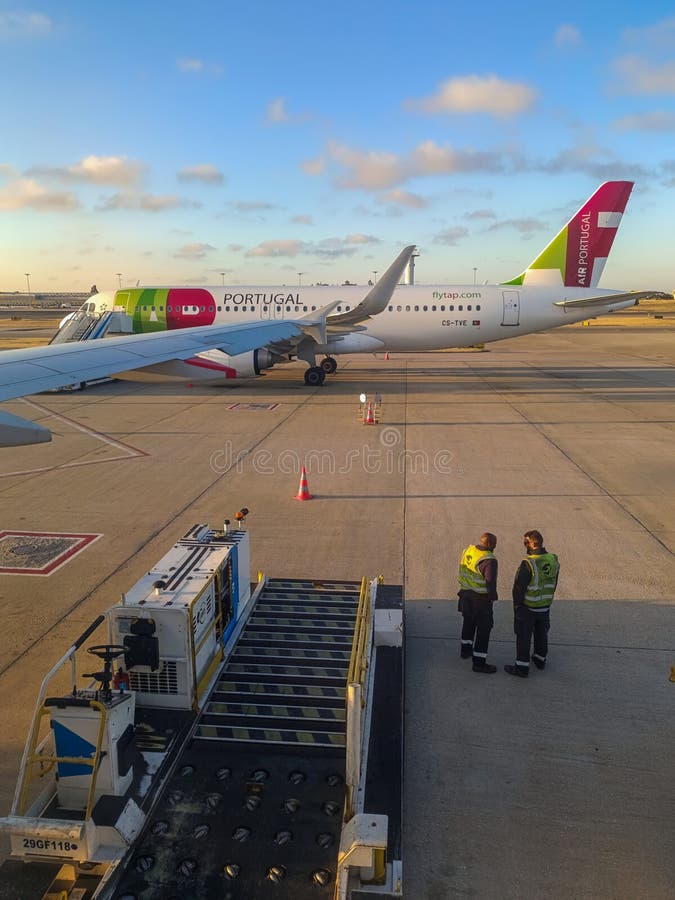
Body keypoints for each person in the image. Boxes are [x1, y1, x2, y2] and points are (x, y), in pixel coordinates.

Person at [504, 530, 560, 679]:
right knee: (542, 634)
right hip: (545, 605)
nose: (525, 546)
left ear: (533, 543)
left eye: (525, 543)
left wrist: (517, 606)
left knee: (523, 636)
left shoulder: (529, 563)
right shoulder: (553, 559)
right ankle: (540, 660)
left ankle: (522, 668)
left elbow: (519, 588)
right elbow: (554, 581)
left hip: (528, 607)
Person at [457, 532, 499, 674]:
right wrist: (493, 596)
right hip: (480, 599)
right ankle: (479, 663)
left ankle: (465, 651)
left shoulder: (468, 550)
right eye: (494, 545)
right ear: (490, 545)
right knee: (483, 630)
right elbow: (490, 582)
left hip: (465, 594)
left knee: (468, 623)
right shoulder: (489, 560)